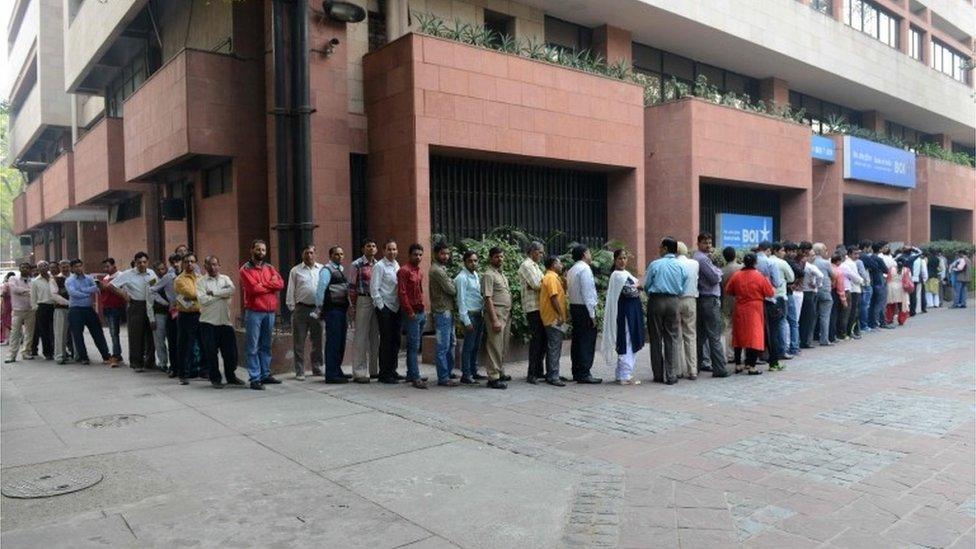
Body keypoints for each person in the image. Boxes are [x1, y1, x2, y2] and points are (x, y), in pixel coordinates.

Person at [240, 240, 286, 390]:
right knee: (252, 346)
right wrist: (270, 285)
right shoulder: (245, 269)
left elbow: (280, 284)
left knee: (266, 345)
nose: (261, 252)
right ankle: (255, 378)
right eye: (258, 249)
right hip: (254, 312)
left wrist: (264, 285)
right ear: (251, 250)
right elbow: (253, 289)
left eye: (263, 250)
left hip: (270, 312)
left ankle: (265, 374)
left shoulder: (270, 268)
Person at [644, 237, 687, 385]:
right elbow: (683, 283)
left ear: (666, 248)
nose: (659, 249)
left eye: (660, 247)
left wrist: (651, 291)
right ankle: (671, 374)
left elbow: (647, 284)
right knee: (672, 338)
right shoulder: (681, 266)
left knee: (656, 338)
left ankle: (658, 374)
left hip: (656, 301)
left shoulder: (655, 264)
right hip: (674, 301)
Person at [724, 253, 774, 375]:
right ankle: (751, 365)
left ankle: (738, 364)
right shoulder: (759, 276)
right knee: (754, 336)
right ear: (755, 263)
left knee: (738, 336)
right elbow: (770, 292)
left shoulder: (737, 275)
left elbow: (728, 290)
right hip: (755, 308)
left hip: (740, 307)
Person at [109, 252, 158, 372]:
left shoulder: (151, 273)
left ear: (148, 262)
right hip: (136, 305)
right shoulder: (128, 274)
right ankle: (136, 363)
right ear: (135, 262)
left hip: (150, 305)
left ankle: (150, 362)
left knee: (151, 335)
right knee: (136, 335)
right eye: (139, 262)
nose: (142, 264)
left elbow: (155, 286)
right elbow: (111, 285)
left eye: (144, 262)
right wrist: (124, 295)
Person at [603, 250, 645, 385]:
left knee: (628, 340)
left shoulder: (625, 274)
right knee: (627, 340)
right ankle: (625, 375)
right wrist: (639, 287)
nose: (622, 261)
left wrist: (638, 287)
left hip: (631, 311)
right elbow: (630, 292)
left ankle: (621, 373)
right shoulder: (617, 276)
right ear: (615, 260)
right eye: (620, 258)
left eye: (625, 258)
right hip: (625, 313)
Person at [199, 255, 241, 388]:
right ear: (205, 267)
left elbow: (232, 290)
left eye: (215, 264)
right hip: (208, 322)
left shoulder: (225, 279)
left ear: (219, 265)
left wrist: (214, 293)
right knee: (211, 353)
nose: (213, 267)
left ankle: (231, 376)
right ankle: (215, 379)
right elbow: (203, 300)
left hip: (225, 322)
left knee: (231, 353)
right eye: (210, 265)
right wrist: (222, 294)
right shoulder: (200, 282)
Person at [286, 244, 324, 380]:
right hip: (301, 309)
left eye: (311, 252)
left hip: (317, 308)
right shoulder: (295, 271)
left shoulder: (322, 269)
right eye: (306, 253)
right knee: (299, 341)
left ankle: (317, 367)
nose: (309, 255)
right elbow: (291, 289)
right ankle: (300, 370)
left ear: (315, 253)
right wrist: (292, 307)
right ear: (302, 255)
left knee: (318, 340)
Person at [65, 259, 112, 365]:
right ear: (72, 268)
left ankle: (106, 355)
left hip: (88, 308)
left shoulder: (89, 278)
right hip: (75, 309)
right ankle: (84, 357)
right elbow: (73, 293)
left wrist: (83, 290)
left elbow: (97, 288)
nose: (78, 268)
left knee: (98, 332)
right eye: (76, 266)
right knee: (77, 334)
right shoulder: (69, 280)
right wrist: (87, 292)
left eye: (80, 266)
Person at [566, 245, 602, 384]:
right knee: (586, 341)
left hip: (574, 306)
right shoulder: (585, 269)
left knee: (577, 340)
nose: (590, 255)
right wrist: (592, 315)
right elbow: (588, 293)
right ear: (584, 254)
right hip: (584, 309)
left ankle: (577, 371)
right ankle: (584, 372)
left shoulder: (572, 269)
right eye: (589, 252)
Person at [316, 246, 352, 384]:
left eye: (341, 254)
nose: (339, 256)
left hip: (341, 310)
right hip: (332, 311)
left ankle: (337, 370)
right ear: (330, 256)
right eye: (336, 254)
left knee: (340, 342)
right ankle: (331, 374)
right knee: (333, 343)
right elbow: (320, 290)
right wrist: (320, 309)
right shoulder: (327, 270)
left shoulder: (340, 270)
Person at [396, 243, 427, 389]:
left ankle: (411, 373)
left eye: (420, 254)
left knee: (415, 345)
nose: (418, 257)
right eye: (415, 254)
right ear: (409, 255)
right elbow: (402, 294)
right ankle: (415, 376)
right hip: (411, 313)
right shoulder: (403, 271)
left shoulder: (419, 271)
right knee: (413, 345)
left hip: (421, 312)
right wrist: (410, 312)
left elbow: (420, 291)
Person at [694, 234, 726, 377]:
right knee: (714, 336)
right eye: (705, 243)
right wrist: (719, 272)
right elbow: (715, 278)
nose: (708, 245)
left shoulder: (699, 257)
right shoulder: (703, 259)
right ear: (698, 243)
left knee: (700, 336)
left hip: (701, 299)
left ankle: (697, 365)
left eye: (709, 242)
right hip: (709, 300)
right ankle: (720, 369)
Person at [348, 239, 380, 382]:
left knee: (375, 335)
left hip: (377, 300)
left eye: (374, 246)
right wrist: (353, 306)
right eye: (368, 246)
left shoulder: (379, 265)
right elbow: (351, 286)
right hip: (363, 299)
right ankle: (359, 372)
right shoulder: (357, 264)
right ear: (363, 249)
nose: (371, 248)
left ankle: (375, 370)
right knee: (361, 336)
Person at [371, 239, 402, 384]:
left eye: (394, 249)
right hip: (385, 308)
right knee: (386, 340)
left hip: (396, 307)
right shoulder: (379, 266)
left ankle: (393, 370)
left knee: (396, 340)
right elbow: (374, 288)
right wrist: (381, 306)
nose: (392, 252)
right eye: (389, 249)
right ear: (384, 251)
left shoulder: (396, 265)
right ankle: (384, 373)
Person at [482, 246, 512, 389]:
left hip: (506, 314)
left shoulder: (501, 274)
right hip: (496, 314)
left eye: (501, 256)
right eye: (496, 257)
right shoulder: (489, 274)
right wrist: (494, 319)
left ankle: (500, 371)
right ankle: (493, 377)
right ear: (490, 258)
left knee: (503, 345)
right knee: (495, 345)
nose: (499, 259)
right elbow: (488, 298)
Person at [429, 242, 458, 387]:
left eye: (447, 253)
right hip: (442, 312)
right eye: (442, 253)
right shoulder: (437, 271)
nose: (446, 256)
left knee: (451, 343)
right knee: (443, 346)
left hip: (448, 310)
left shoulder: (442, 268)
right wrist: (453, 283)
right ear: (435, 254)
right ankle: (443, 377)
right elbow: (451, 289)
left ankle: (448, 372)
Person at [455, 250, 484, 385]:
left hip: (479, 314)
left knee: (476, 346)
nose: (473, 263)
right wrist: (466, 320)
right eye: (470, 261)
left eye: (475, 261)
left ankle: (474, 371)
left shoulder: (476, 275)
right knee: (468, 346)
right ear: (465, 262)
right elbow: (461, 300)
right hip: (470, 315)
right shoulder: (462, 278)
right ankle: (466, 374)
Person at [519, 242, 546, 383]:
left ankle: (539, 371)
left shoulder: (536, 266)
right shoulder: (527, 265)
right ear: (534, 251)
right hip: (532, 308)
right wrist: (545, 282)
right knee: (536, 341)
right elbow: (537, 284)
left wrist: (543, 283)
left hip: (539, 306)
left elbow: (542, 282)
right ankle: (532, 374)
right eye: (541, 252)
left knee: (542, 340)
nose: (542, 255)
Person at [538, 255, 568, 386]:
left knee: (554, 346)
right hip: (553, 318)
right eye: (559, 263)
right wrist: (561, 315)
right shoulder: (550, 278)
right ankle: (553, 376)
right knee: (554, 347)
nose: (561, 265)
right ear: (553, 264)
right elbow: (554, 298)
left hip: (553, 317)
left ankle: (552, 373)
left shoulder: (554, 278)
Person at [152, 254, 183, 376]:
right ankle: (173, 367)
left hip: (188, 312)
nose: (176, 264)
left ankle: (187, 367)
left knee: (186, 341)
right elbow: (152, 290)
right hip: (173, 312)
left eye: (178, 261)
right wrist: (166, 303)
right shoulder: (168, 277)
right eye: (173, 262)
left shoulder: (188, 275)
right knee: (173, 341)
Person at [755, 242, 784, 370]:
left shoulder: (752, 261)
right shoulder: (771, 262)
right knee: (773, 332)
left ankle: (753, 360)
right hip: (769, 299)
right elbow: (777, 282)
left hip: (755, 301)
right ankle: (774, 362)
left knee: (756, 331)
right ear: (768, 250)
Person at [174, 253, 202, 385]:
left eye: (192, 261)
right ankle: (183, 375)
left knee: (203, 344)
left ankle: (204, 371)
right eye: (187, 262)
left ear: (196, 263)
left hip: (201, 314)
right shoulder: (179, 280)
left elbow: (201, 293)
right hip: (186, 316)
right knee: (185, 346)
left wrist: (202, 294)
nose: (190, 264)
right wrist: (203, 294)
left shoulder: (200, 277)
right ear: (183, 264)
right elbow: (191, 294)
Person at [30, 261, 62, 360]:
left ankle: (58, 351)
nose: (43, 268)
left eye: (45, 266)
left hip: (54, 306)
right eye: (41, 267)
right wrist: (36, 308)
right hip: (42, 307)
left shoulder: (55, 279)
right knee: (44, 331)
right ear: (38, 269)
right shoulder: (35, 281)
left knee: (56, 330)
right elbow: (33, 297)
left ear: (48, 268)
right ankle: (47, 352)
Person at [5, 263, 36, 363]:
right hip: (18, 310)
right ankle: (11, 355)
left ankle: (26, 352)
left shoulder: (33, 280)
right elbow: (14, 290)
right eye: (23, 267)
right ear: (19, 269)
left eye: (27, 268)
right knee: (15, 333)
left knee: (29, 333)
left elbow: (35, 292)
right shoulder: (13, 279)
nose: (25, 269)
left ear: (29, 269)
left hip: (31, 310)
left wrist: (25, 292)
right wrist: (29, 292)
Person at [769, 243, 795, 361]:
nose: (784, 253)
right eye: (782, 250)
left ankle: (769, 352)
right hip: (780, 295)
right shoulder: (782, 263)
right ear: (776, 251)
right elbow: (791, 278)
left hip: (767, 297)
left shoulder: (765, 261)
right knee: (783, 322)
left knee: (770, 326)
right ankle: (783, 350)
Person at [99, 258, 125, 366]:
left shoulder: (121, 276)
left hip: (116, 307)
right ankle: (117, 354)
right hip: (106, 307)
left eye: (107, 266)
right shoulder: (105, 278)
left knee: (114, 332)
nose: (105, 269)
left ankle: (116, 355)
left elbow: (123, 292)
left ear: (114, 265)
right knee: (112, 332)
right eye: (104, 267)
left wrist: (110, 287)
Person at [798, 247, 824, 348]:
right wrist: (817, 285)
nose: (813, 257)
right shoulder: (810, 267)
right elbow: (820, 276)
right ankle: (806, 341)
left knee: (802, 318)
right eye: (812, 255)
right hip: (809, 292)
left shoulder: (801, 266)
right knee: (809, 319)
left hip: (802, 292)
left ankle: (802, 340)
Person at [719, 247, 742, 363]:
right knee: (741, 326)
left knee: (727, 327)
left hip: (726, 300)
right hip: (740, 300)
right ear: (735, 255)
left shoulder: (721, 271)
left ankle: (729, 354)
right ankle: (740, 352)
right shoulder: (742, 268)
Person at [783, 242, 805, 355]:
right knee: (792, 321)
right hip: (788, 293)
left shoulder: (789, 261)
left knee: (787, 321)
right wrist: (794, 283)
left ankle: (791, 346)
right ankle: (794, 347)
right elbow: (801, 272)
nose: (793, 254)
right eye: (791, 251)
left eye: (794, 251)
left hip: (787, 292)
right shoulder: (789, 262)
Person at [812, 243, 835, 346]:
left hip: (813, 290)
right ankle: (824, 339)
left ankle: (809, 339)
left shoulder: (810, 262)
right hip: (825, 290)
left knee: (812, 316)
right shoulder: (826, 263)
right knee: (825, 316)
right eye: (825, 250)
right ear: (821, 251)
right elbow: (833, 275)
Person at [150, 261, 171, 372]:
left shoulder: (171, 279)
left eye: (163, 269)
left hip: (171, 313)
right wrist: (151, 318)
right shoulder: (153, 281)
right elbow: (150, 301)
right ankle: (163, 362)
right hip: (159, 313)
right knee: (159, 340)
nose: (161, 271)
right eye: (158, 269)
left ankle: (173, 363)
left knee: (172, 339)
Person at [841, 247, 865, 340]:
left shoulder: (851, 263)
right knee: (853, 312)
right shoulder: (849, 263)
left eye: (858, 254)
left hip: (854, 289)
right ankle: (849, 331)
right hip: (854, 290)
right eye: (855, 254)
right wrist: (862, 281)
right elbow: (855, 277)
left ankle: (851, 331)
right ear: (849, 254)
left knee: (853, 312)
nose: (857, 256)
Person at [52, 261, 73, 364]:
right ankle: (60, 356)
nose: (65, 269)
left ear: (70, 267)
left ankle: (77, 354)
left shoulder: (74, 277)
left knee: (76, 333)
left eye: (67, 267)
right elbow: (54, 295)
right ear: (59, 267)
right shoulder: (55, 279)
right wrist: (69, 303)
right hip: (60, 309)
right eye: (63, 267)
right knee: (60, 333)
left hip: (75, 309)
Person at [886, 259, 912, 325]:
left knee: (891, 304)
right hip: (902, 288)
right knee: (902, 305)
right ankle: (901, 320)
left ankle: (889, 319)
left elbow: (887, 278)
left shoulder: (891, 269)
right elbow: (909, 278)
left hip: (891, 287)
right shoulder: (906, 270)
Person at [1, 272, 13, 345]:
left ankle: (7, 339)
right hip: (14, 302)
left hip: (6, 303)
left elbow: (3, 293)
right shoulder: (15, 284)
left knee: (5, 321)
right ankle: (21, 337)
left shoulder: (6, 284)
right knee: (13, 320)